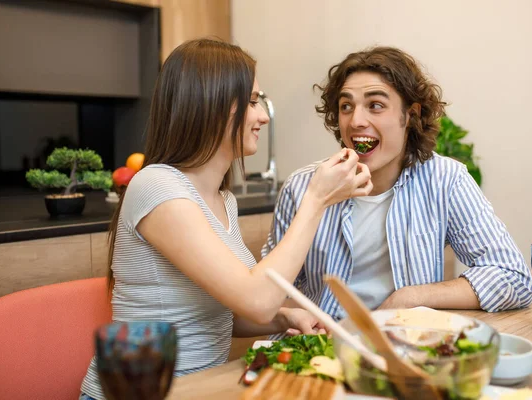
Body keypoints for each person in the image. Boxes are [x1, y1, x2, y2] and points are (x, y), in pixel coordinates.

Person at [79, 39, 372, 400]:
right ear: (210, 105)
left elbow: (227, 311)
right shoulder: (155, 185)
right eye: (252, 102)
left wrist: (283, 318)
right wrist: (316, 200)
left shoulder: (224, 201)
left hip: (202, 389)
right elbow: (256, 299)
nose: (262, 116)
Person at [263, 46, 532, 327]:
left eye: (375, 105)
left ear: (410, 114)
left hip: (405, 348)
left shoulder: (445, 180)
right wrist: (293, 317)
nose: (356, 121)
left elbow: (512, 276)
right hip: (320, 350)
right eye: (346, 106)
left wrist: (411, 297)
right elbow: (266, 295)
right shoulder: (302, 187)